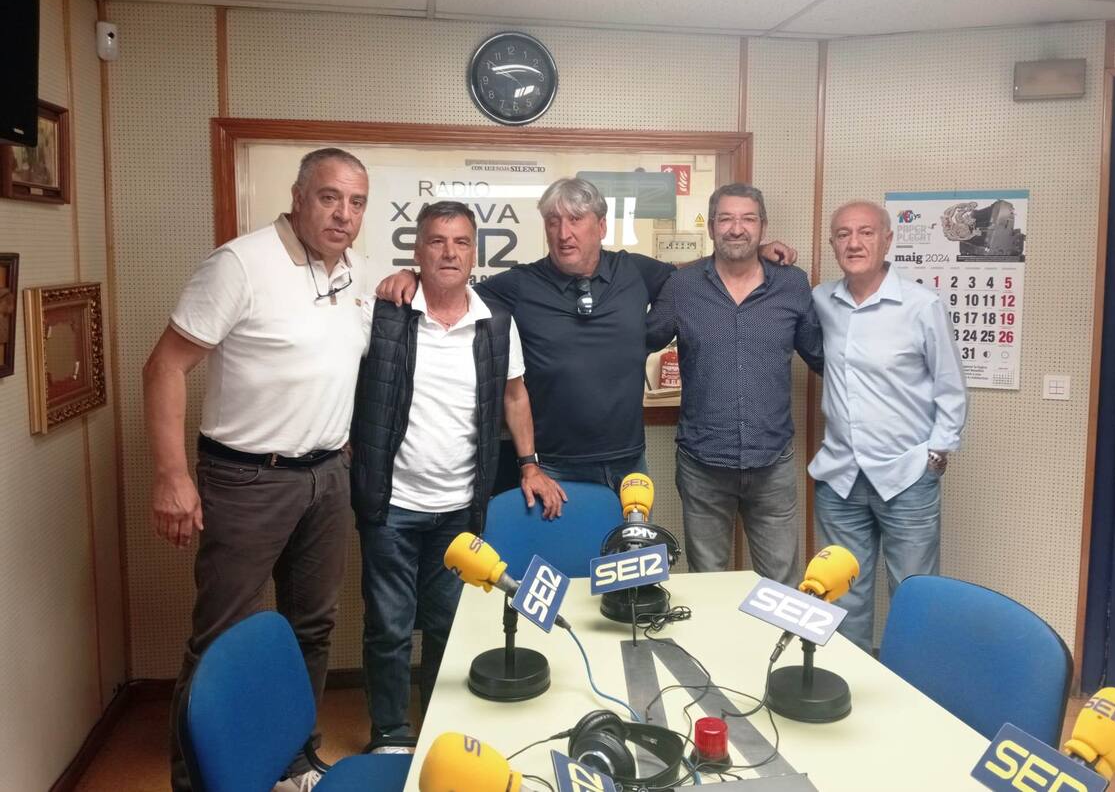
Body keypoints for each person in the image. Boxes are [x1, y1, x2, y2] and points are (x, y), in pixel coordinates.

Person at [143, 148, 372, 792]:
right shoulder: (240, 264)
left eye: (356, 202)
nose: (343, 214)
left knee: (312, 627)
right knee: (223, 639)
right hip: (247, 479)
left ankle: (292, 761)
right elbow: (163, 367)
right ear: (297, 198)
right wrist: (171, 476)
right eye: (329, 197)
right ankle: (198, 781)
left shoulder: (357, 271)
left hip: (327, 477)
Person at [377, 176, 796, 495]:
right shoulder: (519, 285)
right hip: (551, 467)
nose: (564, 234)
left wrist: (751, 253)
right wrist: (413, 276)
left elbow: (702, 275)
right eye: (554, 222)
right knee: (562, 572)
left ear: (601, 226)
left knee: (629, 574)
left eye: (576, 220)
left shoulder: (635, 271)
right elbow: (453, 288)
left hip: (629, 464)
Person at [349, 201, 562, 754]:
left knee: (447, 625)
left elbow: (515, 396)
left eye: (461, 242)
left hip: (460, 508)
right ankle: (390, 734)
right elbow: (338, 376)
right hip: (391, 505)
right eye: (437, 241)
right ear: (417, 251)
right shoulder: (382, 312)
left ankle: (437, 727)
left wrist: (529, 463)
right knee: (390, 628)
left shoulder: (496, 323)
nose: (449, 252)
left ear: (474, 253)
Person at [808, 200, 968, 652]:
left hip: (906, 477)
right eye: (843, 234)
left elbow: (950, 385)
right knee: (843, 597)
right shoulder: (822, 300)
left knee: (915, 596)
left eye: (866, 232)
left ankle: (914, 684)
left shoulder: (921, 305)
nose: (854, 243)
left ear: (887, 240)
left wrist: (936, 453)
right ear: (833, 243)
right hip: (840, 477)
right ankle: (849, 680)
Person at [646, 184, 822, 585]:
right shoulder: (683, 286)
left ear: (763, 227)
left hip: (772, 462)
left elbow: (821, 355)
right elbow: (642, 339)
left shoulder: (792, 284)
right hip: (702, 464)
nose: (736, 228)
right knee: (708, 583)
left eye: (748, 219)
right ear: (711, 226)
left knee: (781, 586)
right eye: (726, 219)